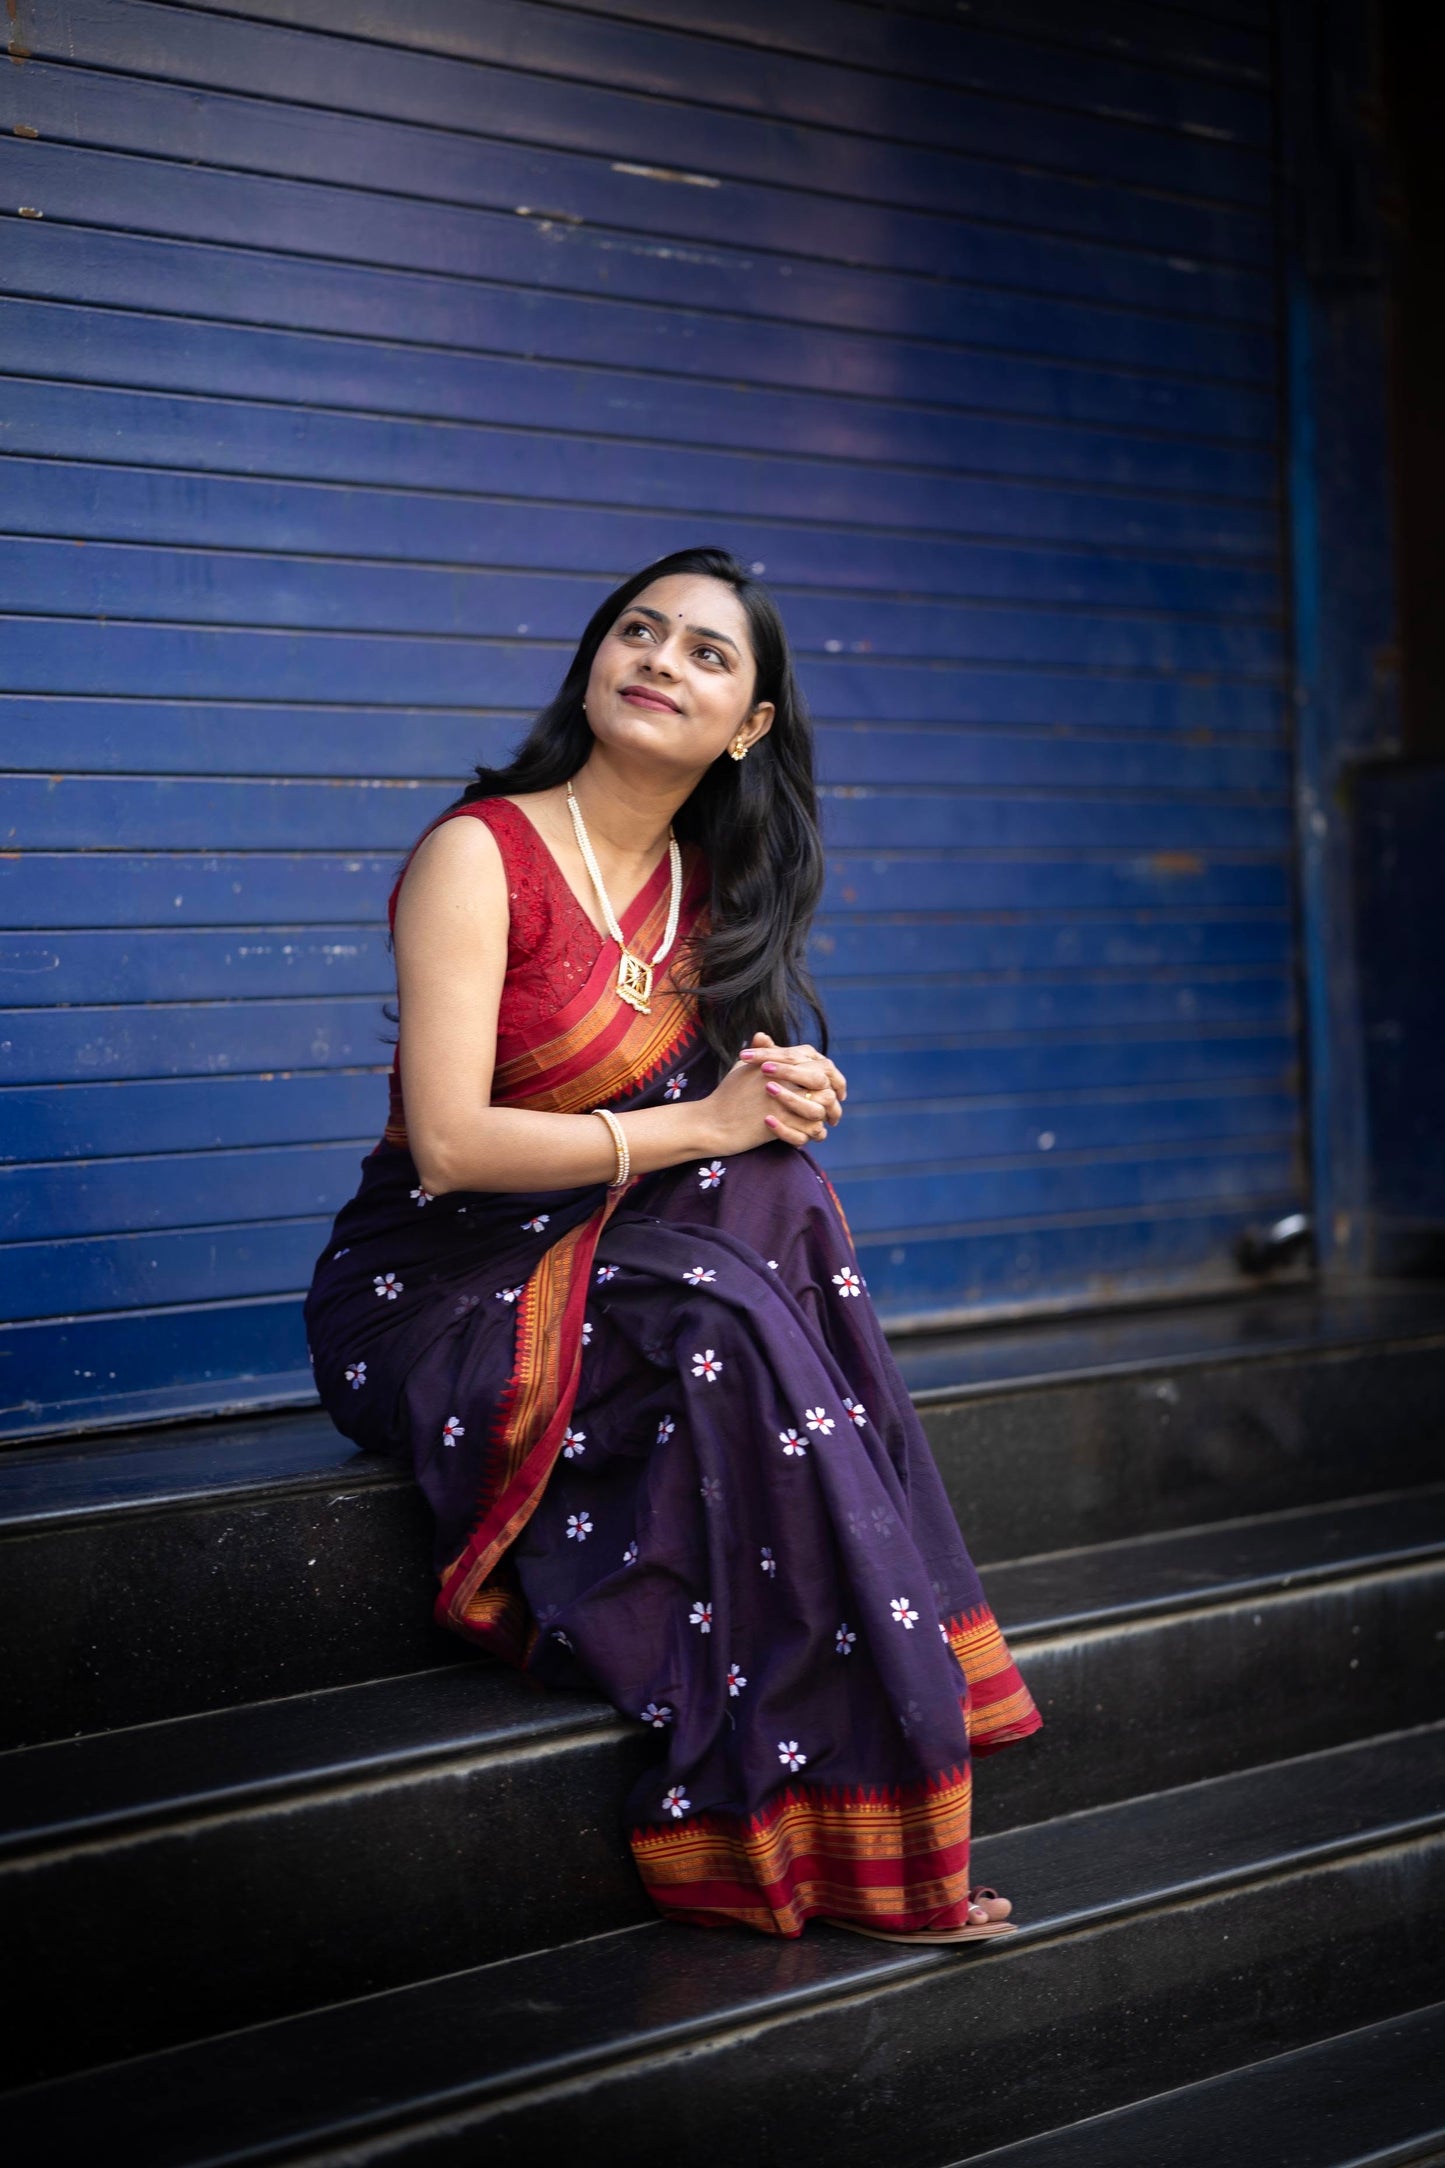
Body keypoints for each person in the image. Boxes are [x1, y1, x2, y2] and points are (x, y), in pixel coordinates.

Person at [304, 547, 1041, 1943]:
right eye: (636, 632)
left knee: (787, 1198)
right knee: (722, 1292)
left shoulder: (712, 893)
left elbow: (713, 1137)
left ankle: (856, 1784)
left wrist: (767, 1103)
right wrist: (701, 1126)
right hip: (436, 1298)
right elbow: (454, 1144)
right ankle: (789, 1792)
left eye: (707, 653)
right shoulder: (484, 854)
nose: (659, 660)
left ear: (748, 725)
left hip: (614, 1268)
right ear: (592, 664)